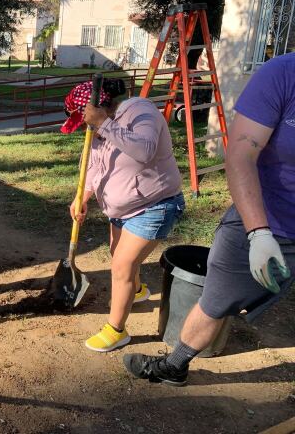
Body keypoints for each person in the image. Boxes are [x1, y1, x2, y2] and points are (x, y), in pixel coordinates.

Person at [123, 53, 295, 386]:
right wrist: (259, 233)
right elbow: (241, 156)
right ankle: (175, 365)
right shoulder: (282, 75)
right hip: (270, 220)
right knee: (217, 298)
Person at [65, 79, 185, 352]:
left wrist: (104, 124)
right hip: (121, 210)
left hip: (154, 205)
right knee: (117, 253)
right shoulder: (95, 130)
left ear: (101, 108)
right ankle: (138, 291)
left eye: (85, 119)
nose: (85, 126)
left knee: (121, 266)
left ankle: (116, 330)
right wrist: (82, 196)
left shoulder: (141, 111)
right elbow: (96, 168)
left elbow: (145, 150)